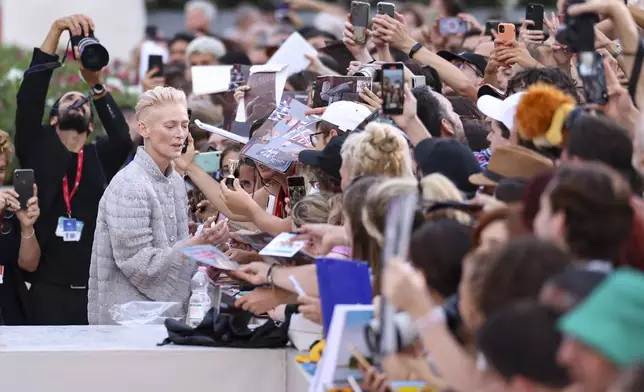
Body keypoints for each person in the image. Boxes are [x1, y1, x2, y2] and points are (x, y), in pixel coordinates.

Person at [15, 14, 132, 325]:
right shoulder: (37, 147)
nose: (77, 102)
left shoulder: (98, 156)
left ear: (91, 124)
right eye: (68, 99)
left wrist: (94, 85)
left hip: (94, 289)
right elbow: (29, 96)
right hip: (46, 288)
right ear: (53, 119)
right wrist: (55, 31)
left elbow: (122, 137)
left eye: (82, 103)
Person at [88, 86, 229, 325]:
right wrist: (196, 243)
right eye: (170, 126)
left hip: (162, 317)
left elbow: (175, 243)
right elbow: (137, 262)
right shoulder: (129, 184)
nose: (180, 134)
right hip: (128, 322)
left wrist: (205, 240)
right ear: (144, 129)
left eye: (184, 125)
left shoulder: (174, 178)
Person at [0, 131, 40, 325]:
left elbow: (29, 265)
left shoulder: (9, 210)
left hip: (12, 318)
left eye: (0, 169)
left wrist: (27, 227)